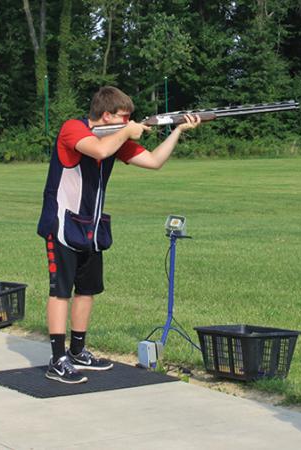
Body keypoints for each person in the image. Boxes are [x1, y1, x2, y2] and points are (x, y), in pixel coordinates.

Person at [36, 86, 200, 384]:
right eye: (124, 117)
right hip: (61, 223)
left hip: (92, 226)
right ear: (107, 115)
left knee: (87, 290)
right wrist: (127, 132)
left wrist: (176, 131)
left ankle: (77, 350)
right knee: (60, 291)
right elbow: (99, 150)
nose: (129, 122)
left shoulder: (115, 137)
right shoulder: (73, 129)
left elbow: (154, 162)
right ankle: (57, 359)